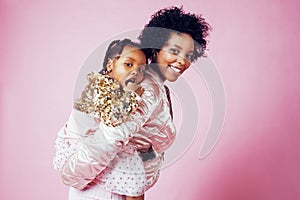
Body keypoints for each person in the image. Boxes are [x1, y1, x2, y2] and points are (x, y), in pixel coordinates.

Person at [54, 6, 211, 200]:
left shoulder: (153, 85)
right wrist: (73, 176)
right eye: (174, 51)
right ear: (156, 48)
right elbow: (111, 136)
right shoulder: (146, 88)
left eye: (188, 55)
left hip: (114, 189)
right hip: (106, 192)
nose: (182, 61)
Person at [54, 39, 150, 200]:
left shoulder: (116, 90)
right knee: (132, 167)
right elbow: (113, 117)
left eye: (141, 69)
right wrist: (133, 96)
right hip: (83, 151)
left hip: (98, 159)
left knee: (133, 166)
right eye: (128, 64)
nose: (135, 72)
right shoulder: (100, 87)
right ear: (110, 65)